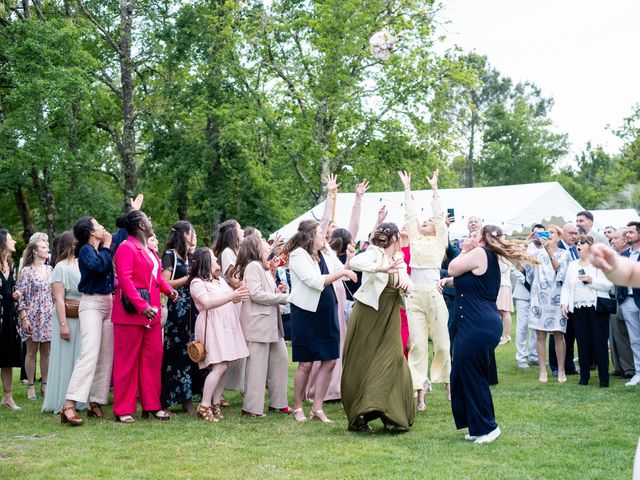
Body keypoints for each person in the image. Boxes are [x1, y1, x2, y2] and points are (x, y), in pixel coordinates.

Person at [447, 225, 537, 444]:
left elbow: (452, 268)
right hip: (474, 322)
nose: (468, 237)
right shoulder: (486, 256)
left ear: (482, 240)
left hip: (477, 324)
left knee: (474, 376)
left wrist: (464, 250)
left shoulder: (478, 253)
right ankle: (477, 426)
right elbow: (468, 281)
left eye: (473, 235)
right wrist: (450, 282)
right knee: (461, 374)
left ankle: (489, 427)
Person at [341, 222, 415, 433]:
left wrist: (406, 286)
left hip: (390, 315)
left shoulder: (398, 260)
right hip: (368, 313)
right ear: (394, 239)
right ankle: (360, 416)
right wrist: (380, 268)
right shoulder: (373, 253)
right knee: (364, 362)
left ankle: (391, 413)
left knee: (394, 360)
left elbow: (408, 283)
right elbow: (356, 262)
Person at [282, 219, 357, 423]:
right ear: (309, 236)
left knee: (331, 360)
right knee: (306, 363)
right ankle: (298, 407)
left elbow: (341, 270)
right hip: (306, 313)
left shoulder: (324, 252)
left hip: (327, 311)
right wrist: (342, 272)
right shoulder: (298, 255)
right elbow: (315, 282)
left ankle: (317, 407)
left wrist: (348, 261)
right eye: (319, 233)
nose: (323, 236)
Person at [112, 210, 178, 423]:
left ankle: (152, 406)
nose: (151, 221)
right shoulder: (126, 248)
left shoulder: (150, 250)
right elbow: (125, 279)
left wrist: (168, 290)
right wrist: (142, 305)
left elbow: (156, 277)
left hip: (152, 314)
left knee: (152, 360)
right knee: (127, 362)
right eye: (148, 219)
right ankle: (123, 409)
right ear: (141, 225)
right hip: (131, 314)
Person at [398, 169, 451, 411]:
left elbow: (439, 217)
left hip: (433, 292)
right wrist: (407, 188)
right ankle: (420, 395)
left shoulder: (440, 240)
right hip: (414, 294)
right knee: (417, 345)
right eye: (424, 221)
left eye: (428, 221)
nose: (425, 222)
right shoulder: (416, 239)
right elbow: (410, 215)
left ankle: (449, 384)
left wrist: (434, 189)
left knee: (441, 343)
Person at [189, 247, 249, 422]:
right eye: (214, 257)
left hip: (225, 325)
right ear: (206, 261)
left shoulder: (219, 281)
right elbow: (206, 303)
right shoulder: (197, 283)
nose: (217, 259)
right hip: (212, 326)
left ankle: (215, 404)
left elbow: (232, 297)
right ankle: (205, 405)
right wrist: (231, 297)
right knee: (219, 366)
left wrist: (239, 293)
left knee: (225, 367)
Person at [236, 234, 290, 417]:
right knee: (257, 366)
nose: (267, 246)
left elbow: (267, 291)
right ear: (255, 248)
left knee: (281, 358)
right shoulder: (252, 266)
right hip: (257, 322)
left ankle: (278, 402)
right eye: (263, 244)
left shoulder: (263, 267)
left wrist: (278, 290)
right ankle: (251, 408)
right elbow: (256, 294)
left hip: (271, 323)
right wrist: (283, 298)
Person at [560, 235, 612, 387]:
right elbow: (566, 287)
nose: (578, 245)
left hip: (597, 307)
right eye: (577, 243)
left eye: (581, 243)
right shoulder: (573, 265)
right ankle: (584, 378)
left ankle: (604, 379)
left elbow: (608, 285)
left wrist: (592, 281)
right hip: (577, 307)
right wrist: (564, 303)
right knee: (582, 342)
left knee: (599, 342)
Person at [42, 231, 85, 414]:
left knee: (78, 358)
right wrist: (63, 324)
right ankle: (61, 398)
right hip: (67, 316)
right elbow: (58, 299)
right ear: (69, 244)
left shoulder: (79, 264)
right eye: (76, 242)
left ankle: (78, 398)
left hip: (82, 315)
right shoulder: (60, 267)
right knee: (65, 358)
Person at [160, 221, 200, 414]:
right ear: (184, 234)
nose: (193, 235)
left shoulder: (189, 256)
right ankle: (167, 401)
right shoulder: (169, 256)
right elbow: (164, 284)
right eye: (192, 232)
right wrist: (188, 278)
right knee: (175, 354)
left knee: (191, 352)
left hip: (192, 309)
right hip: (177, 310)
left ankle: (188, 398)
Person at [526, 225, 570, 383]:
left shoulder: (565, 254)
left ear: (559, 237)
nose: (549, 234)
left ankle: (561, 370)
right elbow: (520, 263)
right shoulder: (535, 253)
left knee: (559, 335)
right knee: (540, 335)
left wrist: (549, 250)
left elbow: (560, 272)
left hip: (557, 297)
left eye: (552, 232)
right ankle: (543, 371)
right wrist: (528, 241)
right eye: (547, 232)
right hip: (539, 298)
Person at [600, 221, 640, 387]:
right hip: (627, 301)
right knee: (634, 340)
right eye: (628, 232)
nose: (628, 235)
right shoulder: (623, 256)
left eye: (631, 232)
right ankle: (638, 373)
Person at [17, 239, 53, 401]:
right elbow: (21, 297)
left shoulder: (50, 269)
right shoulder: (26, 271)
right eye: (44, 247)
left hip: (48, 316)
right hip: (31, 315)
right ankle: (30, 385)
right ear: (35, 251)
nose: (47, 249)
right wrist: (24, 318)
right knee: (31, 352)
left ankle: (45, 383)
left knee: (47, 352)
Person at [212, 219, 245, 396]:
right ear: (233, 232)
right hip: (232, 299)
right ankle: (221, 392)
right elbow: (232, 278)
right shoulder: (227, 253)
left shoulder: (234, 251)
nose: (242, 232)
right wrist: (248, 286)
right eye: (240, 229)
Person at [512, 225, 545, 369]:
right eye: (536, 233)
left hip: (539, 292)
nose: (538, 236)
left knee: (536, 324)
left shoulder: (546, 248)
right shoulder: (525, 247)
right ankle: (521, 357)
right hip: (523, 292)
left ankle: (533, 355)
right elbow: (514, 264)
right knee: (522, 325)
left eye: (541, 232)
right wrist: (524, 280)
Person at [608, 228, 635, 378]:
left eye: (615, 238)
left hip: (625, 299)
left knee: (627, 335)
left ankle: (629, 368)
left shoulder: (629, 257)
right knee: (615, 334)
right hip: (612, 299)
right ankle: (618, 367)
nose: (612, 241)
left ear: (625, 240)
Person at [0, 230, 22, 411]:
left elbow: (12, 287)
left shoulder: (11, 264)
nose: (14, 241)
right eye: (10, 239)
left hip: (9, 317)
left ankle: (8, 397)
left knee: (7, 358)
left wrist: (16, 294)